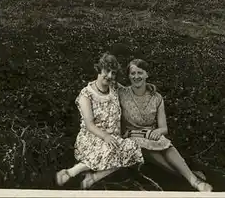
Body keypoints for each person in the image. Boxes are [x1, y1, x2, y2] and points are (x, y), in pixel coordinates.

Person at [118, 59, 213, 192]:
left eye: (140, 72)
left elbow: (164, 128)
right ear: (128, 76)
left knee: (165, 143)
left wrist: (157, 132)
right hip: (131, 138)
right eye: (132, 73)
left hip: (151, 136)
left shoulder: (156, 97)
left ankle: (194, 181)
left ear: (147, 74)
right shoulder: (121, 93)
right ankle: (189, 177)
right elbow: (104, 77)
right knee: (144, 146)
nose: (136, 76)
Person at [56, 53, 143, 189]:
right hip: (92, 137)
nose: (109, 76)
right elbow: (89, 125)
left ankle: (93, 177)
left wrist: (146, 87)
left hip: (113, 138)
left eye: (113, 73)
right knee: (112, 149)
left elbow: (130, 91)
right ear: (99, 69)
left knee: (133, 149)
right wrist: (106, 136)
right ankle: (71, 172)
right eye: (106, 71)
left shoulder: (114, 88)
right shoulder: (86, 94)